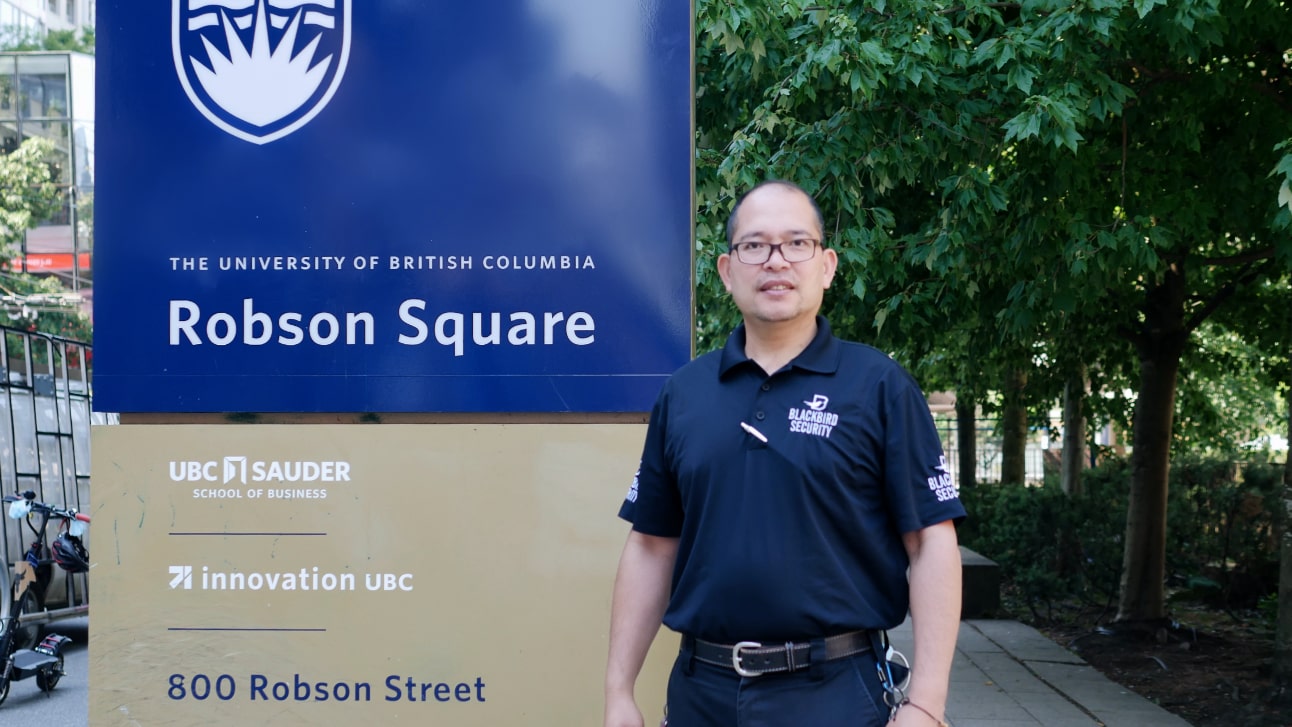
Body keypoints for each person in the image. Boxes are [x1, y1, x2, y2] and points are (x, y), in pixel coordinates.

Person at [603, 180, 965, 727]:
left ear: (827, 265)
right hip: (703, 694)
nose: (776, 260)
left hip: (835, 695)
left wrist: (927, 706)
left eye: (797, 243)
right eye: (755, 245)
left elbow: (931, 541)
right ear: (727, 270)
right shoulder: (684, 394)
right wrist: (619, 692)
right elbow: (652, 546)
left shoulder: (879, 386)